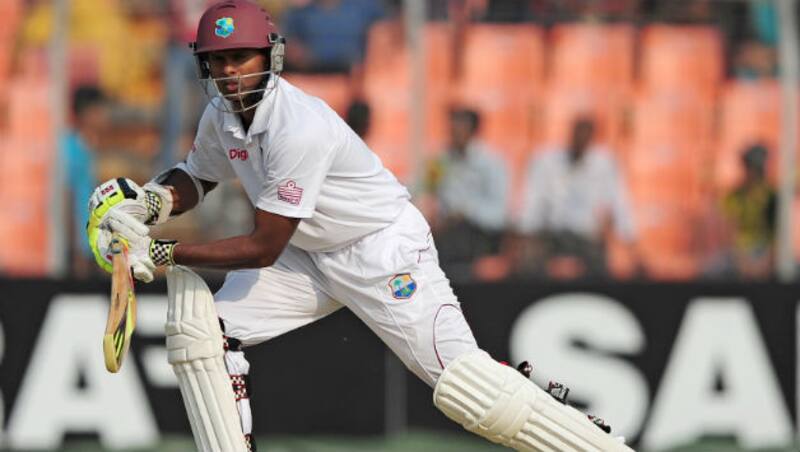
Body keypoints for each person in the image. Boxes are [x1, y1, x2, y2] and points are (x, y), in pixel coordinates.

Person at [85, 2, 631, 451]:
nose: (230, 72)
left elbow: (263, 247)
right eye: (218, 60)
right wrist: (151, 201)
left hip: (380, 252)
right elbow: (199, 177)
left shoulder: (297, 127)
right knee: (200, 331)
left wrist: (163, 254)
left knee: (472, 392)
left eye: (241, 57)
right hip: (307, 256)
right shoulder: (221, 116)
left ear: (269, 57)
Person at [515, 117, 640, 279]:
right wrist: (527, 234)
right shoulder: (547, 161)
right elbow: (533, 202)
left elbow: (619, 204)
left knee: (599, 266)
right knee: (529, 263)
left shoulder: (605, 164)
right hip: (553, 234)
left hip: (587, 237)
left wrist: (631, 244)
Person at [425, 108, 509, 282]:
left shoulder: (492, 163)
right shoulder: (440, 161)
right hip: (448, 243)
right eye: (452, 127)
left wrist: (465, 212)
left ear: (473, 131)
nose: (455, 133)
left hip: (480, 243)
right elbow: (426, 190)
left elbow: (499, 215)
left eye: (460, 127)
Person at [63, 85, 107, 278]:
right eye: (99, 111)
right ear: (85, 114)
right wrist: (74, 250)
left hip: (95, 246)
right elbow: (67, 196)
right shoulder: (69, 148)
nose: (104, 116)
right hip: (78, 248)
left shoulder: (92, 148)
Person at [717, 144, 777, 280]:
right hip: (739, 253)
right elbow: (726, 232)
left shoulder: (771, 197)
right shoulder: (735, 196)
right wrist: (742, 261)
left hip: (764, 252)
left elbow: (777, 234)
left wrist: (766, 261)